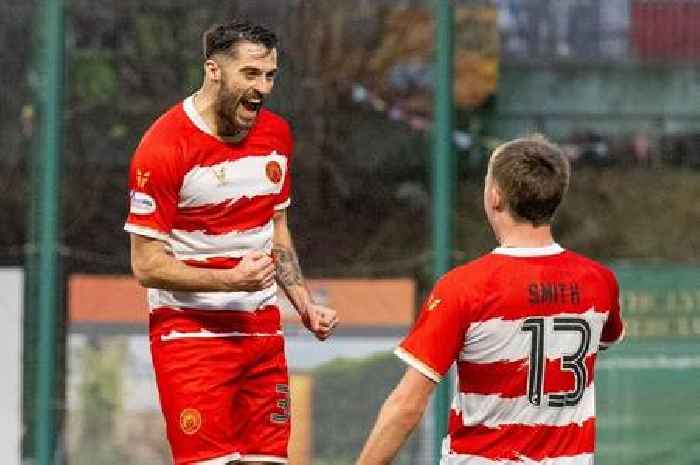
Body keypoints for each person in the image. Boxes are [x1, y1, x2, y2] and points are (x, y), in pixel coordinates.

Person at [124, 19, 338, 465]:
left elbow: (275, 228)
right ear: (214, 70)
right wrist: (231, 281)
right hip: (191, 337)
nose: (263, 87)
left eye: (270, 75)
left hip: (261, 333)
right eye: (250, 74)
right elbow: (146, 265)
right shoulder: (164, 147)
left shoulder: (276, 134)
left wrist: (302, 302)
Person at [356, 135, 624, 465]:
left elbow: (406, 406)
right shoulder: (599, 282)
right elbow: (604, 338)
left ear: (495, 195)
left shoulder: (465, 287)